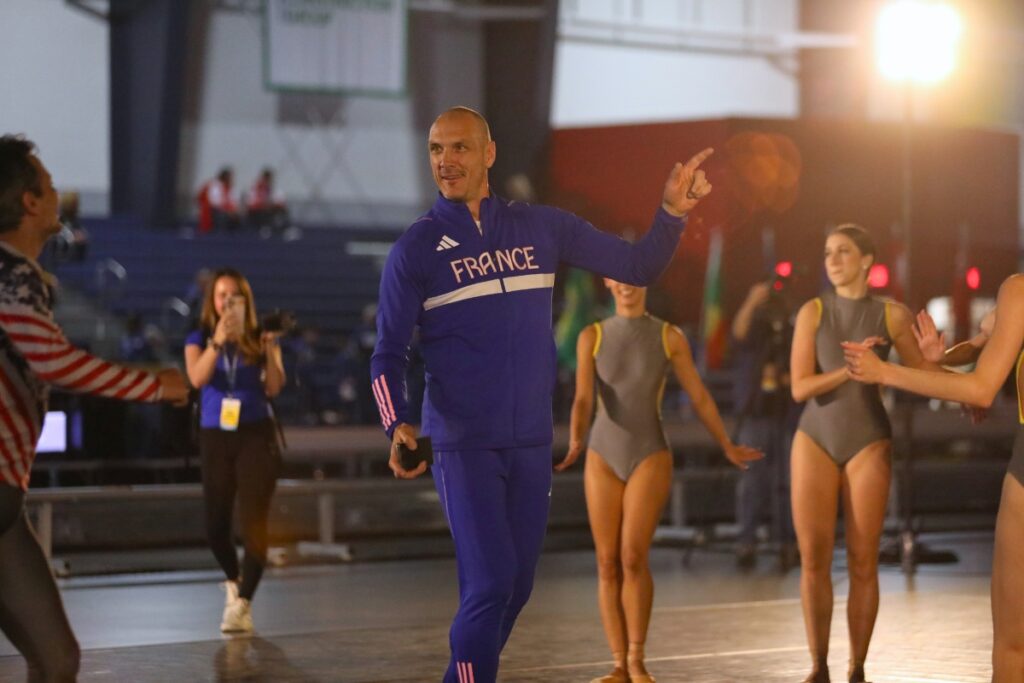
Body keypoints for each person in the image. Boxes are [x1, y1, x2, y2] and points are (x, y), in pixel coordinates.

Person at [370, 106, 714, 683]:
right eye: (435, 150)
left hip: (530, 441)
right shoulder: (416, 249)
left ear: (489, 154)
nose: (446, 161)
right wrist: (396, 422)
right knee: (489, 583)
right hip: (463, 443)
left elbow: (636, 265)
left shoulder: (541, 227)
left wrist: (671, 215)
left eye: (459, 148)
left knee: (516, 587)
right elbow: (388, 352)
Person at [0, 134, 189, 681]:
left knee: (57, 658)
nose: (60, 194)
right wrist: (156, 385)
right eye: (51, 186)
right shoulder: (11, 274)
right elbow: (54, 361)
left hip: (5, 505)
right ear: (31, 202)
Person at [563, 278, 762, 683]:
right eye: (617, 278)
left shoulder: (668, 336)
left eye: (634, 278)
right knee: (606, 562)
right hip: (602, 454)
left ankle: (637, 658)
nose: (625, 286)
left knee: (633, 555)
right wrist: (576, 438)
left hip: (649, 453)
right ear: (607, 282)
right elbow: (583, 398)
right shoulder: (592, 336)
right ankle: (618, 663)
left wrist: (725, 443)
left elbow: (700, 395)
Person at [789, 224, 940, 683]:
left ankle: (857, 668)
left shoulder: (891, 315)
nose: (833, 260)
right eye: (828, 252)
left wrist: (936, 357)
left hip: (868, 439)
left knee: (863, 559)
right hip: (814, 438)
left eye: (843, 251)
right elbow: (799, 388)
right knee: (814, 559)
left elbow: (925, 376)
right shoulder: (812, 311)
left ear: (867, 260)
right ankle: (818, 667)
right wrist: (852, 369)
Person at [844, 295, 1023, 682]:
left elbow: (981, 388)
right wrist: (941, 362)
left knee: (1013, 644)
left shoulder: (1019, 293)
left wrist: (884, 372)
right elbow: (981, 353)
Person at [184, 268, 285, 634]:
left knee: (254, 522)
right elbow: (196, 378)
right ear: (213, 301)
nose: (228, 303)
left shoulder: (259, 337)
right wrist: (217, 341)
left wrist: (271, 349)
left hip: (255, 435)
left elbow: (273, 387)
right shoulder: (199, 336)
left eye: (235, 296)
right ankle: (233, 580)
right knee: (215, 526)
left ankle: (243, 602)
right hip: (216, 435)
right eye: (222, 296)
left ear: (246, 301)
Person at [731, 279, 800, 570]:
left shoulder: (791, 329)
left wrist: (788, 378)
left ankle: (787, 542)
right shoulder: (755, 328)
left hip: (787, 412)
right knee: (752, 481)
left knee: (787, 481)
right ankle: (747, 541)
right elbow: (738, 333)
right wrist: (752, 299)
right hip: (756, 412)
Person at [244, 168, 290, 235]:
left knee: (282, 210)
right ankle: (265, 227)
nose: (268, 181)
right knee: (264, 211)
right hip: (255, 212)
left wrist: (276, 205)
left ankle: (284, 228)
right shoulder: (254, 188)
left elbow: (279, 201)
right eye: (267, 179)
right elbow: (250, 204)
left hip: (267, 210)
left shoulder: (271, 190)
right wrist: (264, 205)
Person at [196, 167, 239, 233]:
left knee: (238, 218)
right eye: (231, 177)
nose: (232, 180)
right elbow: (215, 202)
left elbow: (232, 202)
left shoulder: (229, 188)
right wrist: (228, 211)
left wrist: (233, 210)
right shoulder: (215, 185)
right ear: (226, 177)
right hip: (213, 211)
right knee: (222, 216)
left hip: (224, 211)